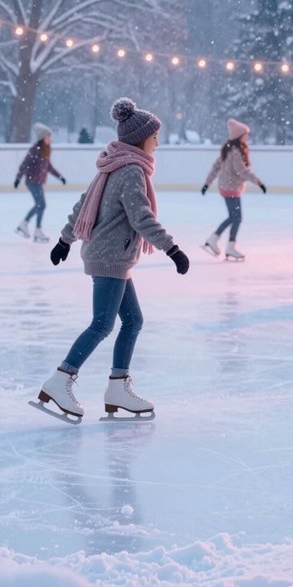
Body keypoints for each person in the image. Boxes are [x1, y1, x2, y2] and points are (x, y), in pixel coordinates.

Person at [34, 97, 190, 422]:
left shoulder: (111, 164)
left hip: (109, 254)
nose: (157, 142)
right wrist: (172, 249)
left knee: (133, 321)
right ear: (140, 139)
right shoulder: (131, 169)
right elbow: (141, 216)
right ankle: (60, 381)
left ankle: (117, 387)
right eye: (154, 137)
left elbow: (82, 204)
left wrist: (65, 240)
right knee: (103, 324)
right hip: (110, 257)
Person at [201, 118, 266, 261]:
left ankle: (221, 242)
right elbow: (241, 171)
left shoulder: (228, 148)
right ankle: (220, 242)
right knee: (236, 217)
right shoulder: (235, 151)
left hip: (227, 187)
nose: (247, 137)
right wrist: (258, 182)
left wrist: (207, 183)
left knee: (234, 217)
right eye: (245, 134)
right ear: (239, 136)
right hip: (230, 187)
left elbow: (216, 167)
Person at [14, 123, 66, 243]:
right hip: (32, 181)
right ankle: (34, 229)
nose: (50, 138)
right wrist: (18, 178)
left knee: (40, 205)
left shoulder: (46, 150)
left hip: (38, 182)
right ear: (42, 137)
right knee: (41, 204)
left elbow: (49, 167)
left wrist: (60, 177)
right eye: (48, 136)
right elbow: (25, 164)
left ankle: (26, 225)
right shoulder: (35, 149)